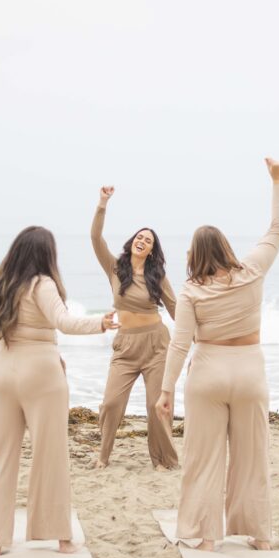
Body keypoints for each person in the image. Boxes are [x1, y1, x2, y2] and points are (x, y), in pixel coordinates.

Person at [0, 213, 117, 556]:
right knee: (51, 455)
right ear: (48, 254)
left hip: (1, 370)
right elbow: (64, 321)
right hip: (41, 374)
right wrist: (100, 323)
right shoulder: (43, 284)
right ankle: (60, 538)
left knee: (0, 456)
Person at [156, 158, 279, 551]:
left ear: (195, 254)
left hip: (208, 376)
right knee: (252, 459)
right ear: (226, 246)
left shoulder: (192, 290)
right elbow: (278, 228)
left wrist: (165, 391)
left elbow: (180, 344)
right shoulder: (253, 270)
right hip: (249, 374)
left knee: (203, 460)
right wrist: (277, 181)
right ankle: (260, 536)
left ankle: (206, 537)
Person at [91, 186, 179, 470]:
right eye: (140, 237)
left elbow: (176, 308)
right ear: (132, 242)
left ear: (153, 250)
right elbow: (95, 237)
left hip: (156, 345)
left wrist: (201, 337)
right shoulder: (115, 268)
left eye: (149, 240)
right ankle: (102, 456)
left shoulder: (158, 275)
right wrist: (102, 204)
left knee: (158, 407)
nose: (143, 241)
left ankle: (163, 461)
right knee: (111, 404)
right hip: (126, 346)